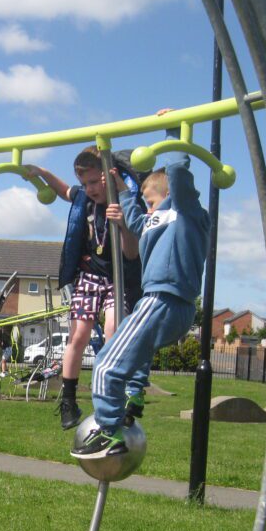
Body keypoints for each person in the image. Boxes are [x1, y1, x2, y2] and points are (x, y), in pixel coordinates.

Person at [73, 117, 211, 458]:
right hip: (169, 306)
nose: (148, 208)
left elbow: (178, 175)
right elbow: (136, 220)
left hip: (164, 297)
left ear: (169, 195)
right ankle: (133, 394)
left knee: (106, 364)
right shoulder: (154, 220)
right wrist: (121, 187)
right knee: (135, 351)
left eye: (151, 201)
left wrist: (173, 132)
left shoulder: (185, 213)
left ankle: (109, 432)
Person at [26, 147, 144, 431]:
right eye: (85, 183)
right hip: (89, 276)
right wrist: (41, 173)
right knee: (78, 334)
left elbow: (131, 253)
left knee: (114, 329)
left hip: (118, 278)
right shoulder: (84, 200)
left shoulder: (124, 202)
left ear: (108, 177)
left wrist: (123, 225)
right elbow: (63, 190)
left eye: (94, 182)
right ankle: (68, 400)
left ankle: (116, 393)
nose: (89, 189)